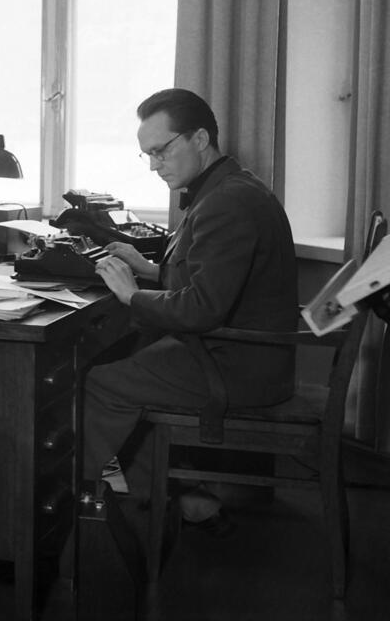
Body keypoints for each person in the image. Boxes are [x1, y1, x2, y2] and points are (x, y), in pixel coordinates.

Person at [82, 87, 298, 531]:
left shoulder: (227, 202)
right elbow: (211, 279)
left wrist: (130, 295)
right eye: (149, 156)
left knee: (100, 382)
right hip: (241, 356)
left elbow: (201, 307)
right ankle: (169, 495)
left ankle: (106, 507)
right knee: (125, 358)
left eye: (162, 151)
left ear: (200, 139)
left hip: (235, 368)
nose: (156, 166)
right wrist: (148, 268)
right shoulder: (227, 188)